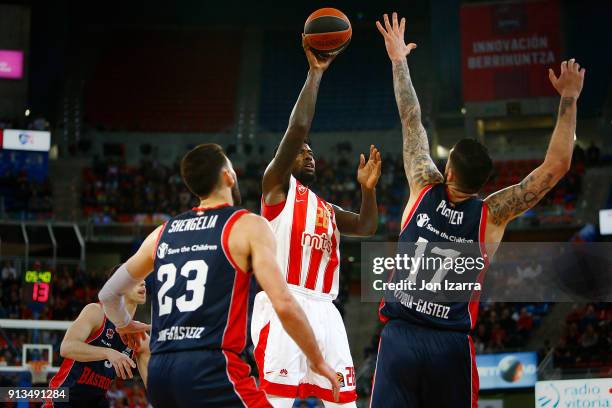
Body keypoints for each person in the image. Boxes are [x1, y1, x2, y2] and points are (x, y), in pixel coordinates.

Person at [372, 12, 585, 408]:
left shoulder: (422, 184)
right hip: (450, 345)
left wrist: (399, 60)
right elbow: (555, 168)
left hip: (400, 337)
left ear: (447, 169)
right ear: (486, 183)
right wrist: (568, 98)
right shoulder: (493, 214)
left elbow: (411, 117)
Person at [98, 143, 339, 408]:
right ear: (228, 176)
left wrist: (122, 324)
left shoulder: (162, 232)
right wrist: (317, 360)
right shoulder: (247, 224)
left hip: (160, 371)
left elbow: (108, 294)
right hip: (211, 368)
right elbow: (283, 302)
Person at [252, 38, 382, 408]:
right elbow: (299, 128)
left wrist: (367, 190)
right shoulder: (276, 188)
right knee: (275, 402)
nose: (309, 155)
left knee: (343, 401)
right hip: (285, 302)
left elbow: (367, 227)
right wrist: (315, 74)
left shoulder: (324, 207)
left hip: (326, 309)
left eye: (312, 153)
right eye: (302, 152)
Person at [44, 276, 149, 408]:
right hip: (63, 399)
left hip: (96, 402)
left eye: (143, 280)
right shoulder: (97, 312)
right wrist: (108, 352)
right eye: (135, 279)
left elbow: (154, 388)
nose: (143, 283)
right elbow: (66, 347)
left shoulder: (140, 338)